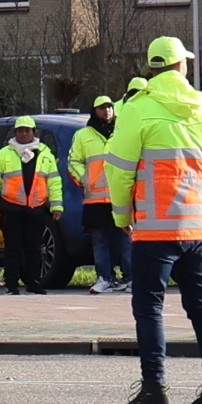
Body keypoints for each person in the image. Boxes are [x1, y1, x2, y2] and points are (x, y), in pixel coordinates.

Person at [106, 36, 202, 404]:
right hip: (196, 228)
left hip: (152, 227)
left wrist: (121, 217)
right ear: (182, 65)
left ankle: (154, 390)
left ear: (152, 68)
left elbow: (119, 170)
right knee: (201, 307)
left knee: (149, 307)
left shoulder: (138, 109)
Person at [0, 116, 63, 295]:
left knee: (34, 248)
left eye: (28, 130)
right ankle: (11, 284)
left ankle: (34, 283)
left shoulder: (45, 155)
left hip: (35, 209)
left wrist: (57, 206)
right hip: (11, 208)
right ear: (15, 132)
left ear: (34, 132)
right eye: (20, 130)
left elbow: (54, 182)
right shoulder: (3, 154)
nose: (24, 134)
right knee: (13, 247)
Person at [69, 96, 131, 294]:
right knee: (100, 240)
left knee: (126, 238)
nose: (107, 111)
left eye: (110, 107)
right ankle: (105, 277)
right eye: (102, 108)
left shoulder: (123, 132)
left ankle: (130, 278)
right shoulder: (82, 135)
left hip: (120, 195)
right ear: (94, 111)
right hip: (96, 198)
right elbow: (73, 161)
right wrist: (84, 178)